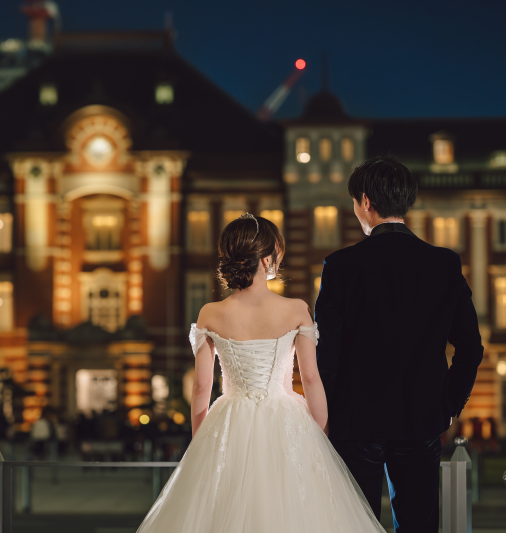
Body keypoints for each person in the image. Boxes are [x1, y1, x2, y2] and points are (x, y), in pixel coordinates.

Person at [136, 214, 384, 533]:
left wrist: (200, 441)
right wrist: (321, 435)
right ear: (267, 259)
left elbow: (201, 387)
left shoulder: (210, 313)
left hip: (229, 417)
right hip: (286, 417)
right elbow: (311, 379)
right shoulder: (295, 309)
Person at [315, 156, 484, 532]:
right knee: (418, 525)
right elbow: (471, 347)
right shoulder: (444, 264)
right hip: (421, 417)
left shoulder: (340, 266)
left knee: (355, 525)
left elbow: (327, 353)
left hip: (354, 421)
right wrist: (448, 405)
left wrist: (324, 414)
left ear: (365, 202)